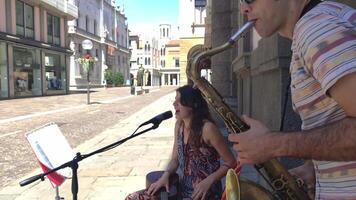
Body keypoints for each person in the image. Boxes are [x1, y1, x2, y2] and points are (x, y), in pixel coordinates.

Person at [228, 0, 356, 199]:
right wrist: (315, 169)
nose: (244, 8)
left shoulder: (317, 31)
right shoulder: (320, 23)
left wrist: (272, 144)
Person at [126, 85, 236, 200]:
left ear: (193, 105)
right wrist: (165, 175)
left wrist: (208, 181)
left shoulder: (207, 129)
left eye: (180, 101)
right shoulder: (179, 125)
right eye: (175, 100)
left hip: (205, 194)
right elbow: (175, 160)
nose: (174, 104)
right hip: (183, 189)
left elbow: (231, 162)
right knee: (132, 198)